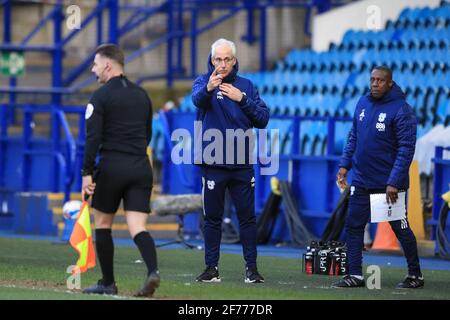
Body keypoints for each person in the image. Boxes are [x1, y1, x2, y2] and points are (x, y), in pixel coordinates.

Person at [334, 66, 424, 289]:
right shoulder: (363, 104)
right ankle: (354, 274)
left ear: (390, 83)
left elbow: (406, 148)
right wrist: (344, 165)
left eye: (380, 81)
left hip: (388, 186)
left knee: (400, 228)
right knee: (353, 225)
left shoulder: (402, 110)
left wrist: (393, 182)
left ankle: (415, 275)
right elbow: (353, 136)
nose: (375, 84)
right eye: (372, 80)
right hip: (362, 180)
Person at [81, 43, 159, 297]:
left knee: (103, 223)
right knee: (138, 226)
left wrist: (87, 173)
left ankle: (108, 282)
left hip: (113, 167)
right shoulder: (142, 95)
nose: (93, 70)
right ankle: (152, 272)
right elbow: (147, 134)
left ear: (107, 65)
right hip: (140, 166)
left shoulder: (100, 97)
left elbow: (92, 139)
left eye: (95, 64)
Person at [192, 38, 269, 283]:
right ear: (211, 60)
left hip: (242, 165)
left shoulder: (246, 85)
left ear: (234, 60)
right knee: (212, 219)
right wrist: (209, 89)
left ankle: (252, 269)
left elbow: (263, 119)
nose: (222, 64)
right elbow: (197, 100)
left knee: (247, 218)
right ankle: (211, 268)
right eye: (218, 59)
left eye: (227, 59)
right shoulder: (203, 82)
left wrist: (242, 98)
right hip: (213, 163)